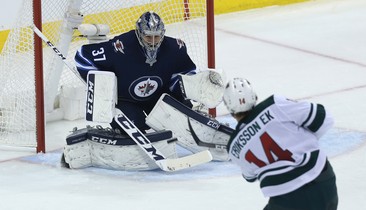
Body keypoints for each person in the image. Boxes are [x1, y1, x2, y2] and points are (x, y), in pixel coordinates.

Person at [222, 78, 338, 210]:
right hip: (323, 180)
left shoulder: (234, 147)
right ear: (254, 96)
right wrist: (305, 142)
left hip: (286, 199)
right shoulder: (275, 105)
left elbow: (250, 176)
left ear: (229, 108)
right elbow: (324, 118)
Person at [74, 11, 196, 132]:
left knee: (185, 117)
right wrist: (101, 88)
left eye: (157, 36)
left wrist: (188, 90)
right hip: (126, 100)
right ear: (139, 33)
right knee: (135, 126)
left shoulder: (175, 47)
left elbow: (185, 71)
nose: (153, 42)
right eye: (148, 36)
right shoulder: (120, 47)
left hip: (157, 97)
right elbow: (83, 56)